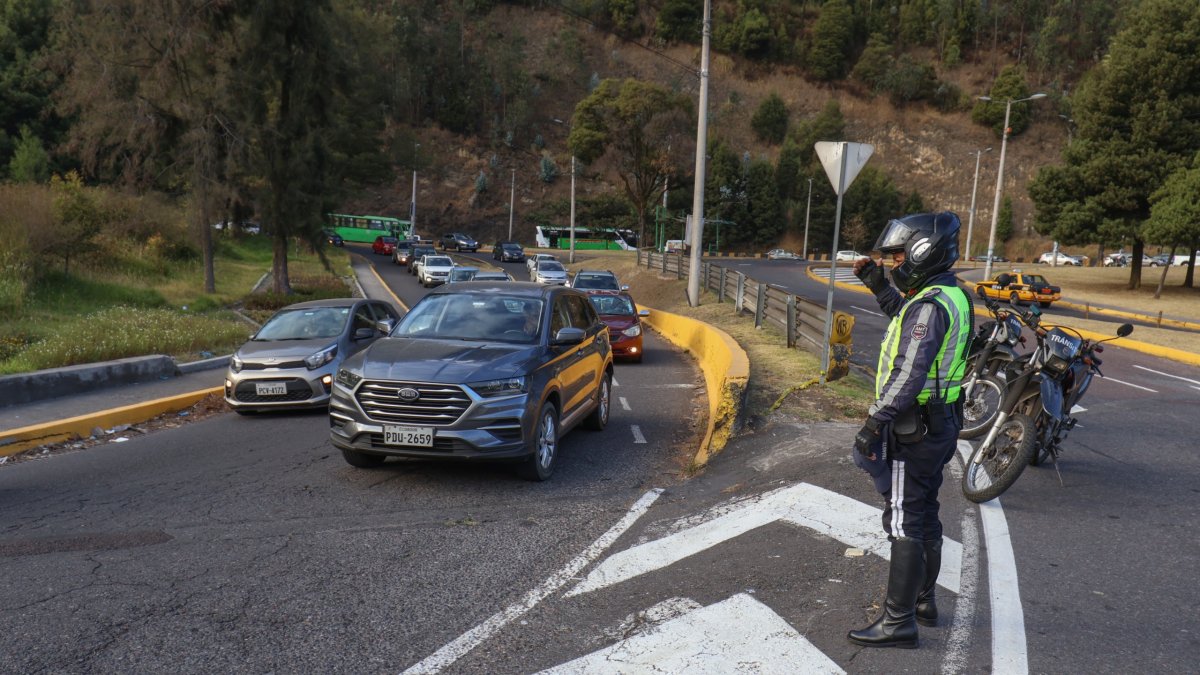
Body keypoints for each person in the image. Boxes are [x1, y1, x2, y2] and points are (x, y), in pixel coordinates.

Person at [846, 212, 973, 649]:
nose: (892, 263)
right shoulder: (949, 295)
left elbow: (909, 371)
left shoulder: (930, 304)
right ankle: (923, 601)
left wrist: (874, 421)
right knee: (924, 511)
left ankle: (898, 621)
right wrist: (879, 286)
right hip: (942, 422)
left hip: (913, 428)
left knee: (902, 520)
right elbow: (910, 326)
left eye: (896, 255)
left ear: (922, 252)